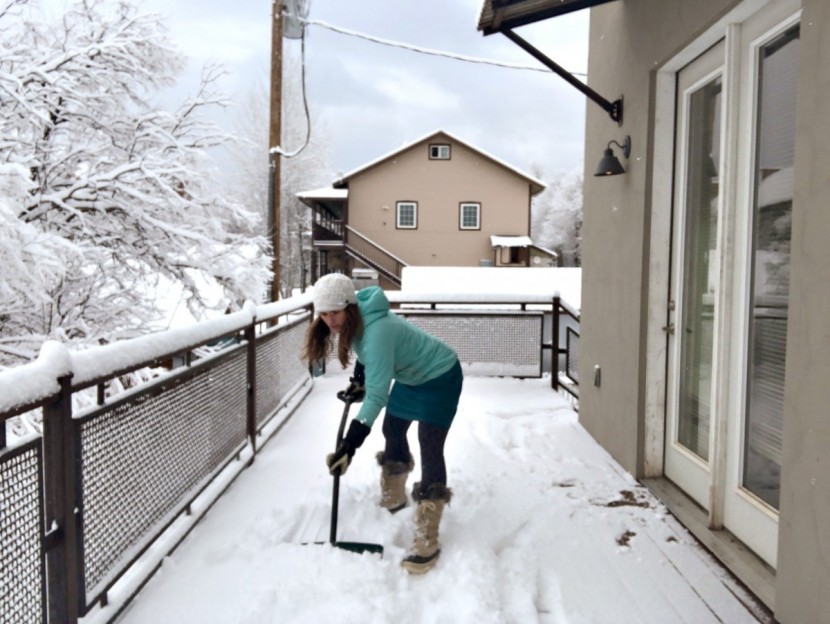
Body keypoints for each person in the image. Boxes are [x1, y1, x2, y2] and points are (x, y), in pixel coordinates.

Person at [302, 272, 463, 574]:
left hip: (440, 374)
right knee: (393, 428)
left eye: (334, 312)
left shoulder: (378, 331)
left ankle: (427, 531)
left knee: (429, 441)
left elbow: (376, 396)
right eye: (323, 314)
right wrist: (359, 380)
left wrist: (349, 445)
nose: (330, 321)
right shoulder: (361, 319)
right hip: (411, 375)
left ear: (349, 306)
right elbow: (365, 352)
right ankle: (394, 491)